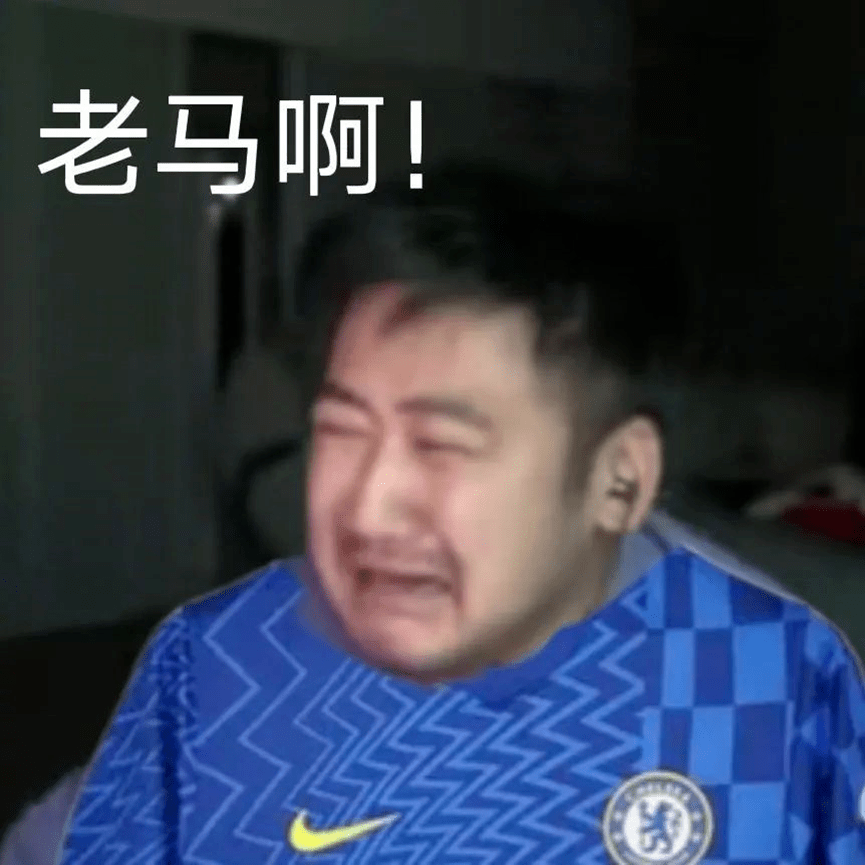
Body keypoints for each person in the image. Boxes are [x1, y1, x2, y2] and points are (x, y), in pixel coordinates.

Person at [45, 172, 865, 863]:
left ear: (618, 478)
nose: (366, 508)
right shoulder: (214, 668)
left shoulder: (780, 696)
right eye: (342, 431)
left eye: (442, 446)